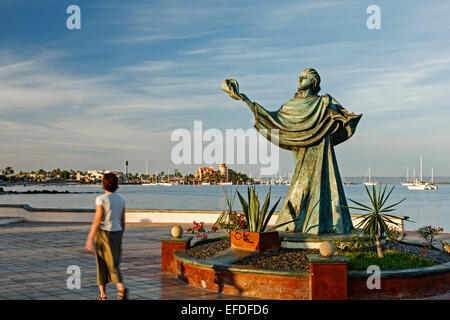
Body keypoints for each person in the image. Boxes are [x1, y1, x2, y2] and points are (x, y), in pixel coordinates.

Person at [223, 68, 362, 235]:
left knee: (324, 185)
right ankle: (296, 223)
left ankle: (325, 223)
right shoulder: (290, 105)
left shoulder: (324, 102)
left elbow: (345, 119)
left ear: (314, 81)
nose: (299, 80)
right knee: (301, 186)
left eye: (304, 77)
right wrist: (244, 99)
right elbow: (273, 119)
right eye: (299, 77)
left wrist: (340, 119)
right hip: (303, 156)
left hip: (322, 152)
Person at [85, 172, 128, 300]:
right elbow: (123, 220)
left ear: (104, 184)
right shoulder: (121, 200)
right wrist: (121, 234)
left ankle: (118, 288)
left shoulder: (101, 199)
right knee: (113, 261)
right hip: (117, 233)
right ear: (116, 185)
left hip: (103, 233)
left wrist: (89, 238)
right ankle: (103, 295)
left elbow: (97, 219)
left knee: (103, 263)